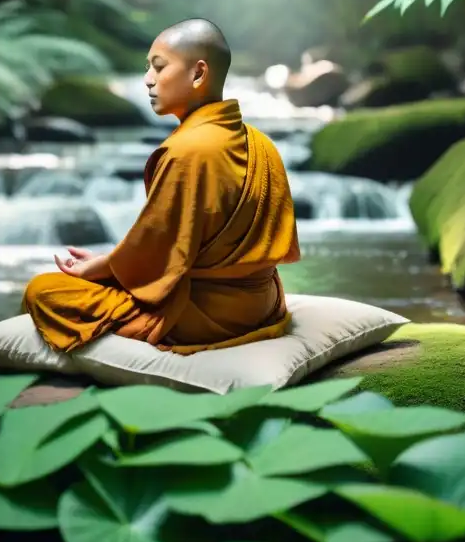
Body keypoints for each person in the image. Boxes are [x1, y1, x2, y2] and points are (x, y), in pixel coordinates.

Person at [22, 18, 301, 354]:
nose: (147, 80)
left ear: (198, 74)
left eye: (159, 67)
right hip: (265, 303)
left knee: (43, 290)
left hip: (203, 315)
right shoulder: (262, 143)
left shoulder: (186, 152)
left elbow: (164, 262)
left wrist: (100, 268)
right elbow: (170, 248)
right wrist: (112, 261)